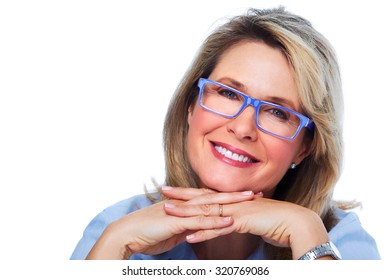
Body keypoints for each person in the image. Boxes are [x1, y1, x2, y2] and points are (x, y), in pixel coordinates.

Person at [70, 7, 380, 260]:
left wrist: (306, 234)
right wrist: (114, 246)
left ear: (304, 147)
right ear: (191, 105)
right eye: (228, 94)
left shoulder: (338, 240)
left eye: (277, 112)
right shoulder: (117, 228)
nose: (243, 128)